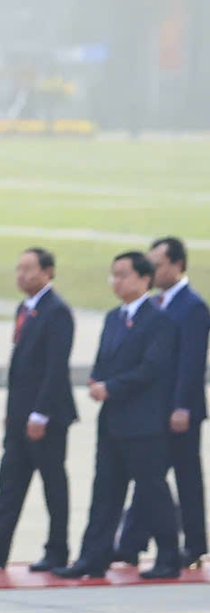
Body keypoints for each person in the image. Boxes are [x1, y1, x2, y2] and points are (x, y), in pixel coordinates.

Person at [56, 252, 182, 581]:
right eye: (114, 275)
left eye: (123, 275)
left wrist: (111, 387)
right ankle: (92, 558)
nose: (117, 281)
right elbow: (103, 359)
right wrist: (99, 380)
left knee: (152, 491)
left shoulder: (160, 320)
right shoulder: (114, 317)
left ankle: (169, 556)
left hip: (143, 424)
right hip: (112, 421)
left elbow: (151, 369)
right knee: (105, 492)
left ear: (144, 279)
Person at [118, 237, 209, 568]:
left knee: (185, 478)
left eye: (158, 265)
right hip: (155, 410)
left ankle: (195, 544)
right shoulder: (156, 304)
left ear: (177, 265)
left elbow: (191, 361)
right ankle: (131, 543)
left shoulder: (193, 306)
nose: (153, 271)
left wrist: (182, 406)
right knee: (150, 476)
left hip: (180, 410)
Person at [0, 248, 77, 573]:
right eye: (18, 269)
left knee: (53, 485)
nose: (21, 275)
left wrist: (40, 414)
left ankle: (57, 551)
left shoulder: (57, 311)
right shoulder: (24, 308)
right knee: (9, 484)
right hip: (20, 417)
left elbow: (55, 369)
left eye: (29, 269)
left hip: (45, 418)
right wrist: (13, 412)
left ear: (48, 272)